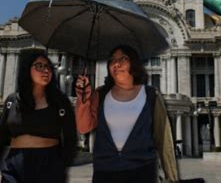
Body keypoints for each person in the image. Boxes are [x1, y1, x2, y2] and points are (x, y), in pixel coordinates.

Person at [76, 45, 179, 183]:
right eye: (112, 60)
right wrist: (83, 99)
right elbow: (84, 127)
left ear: (134, 63)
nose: (116, 64)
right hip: (105, 172)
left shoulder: (151, 95)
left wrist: (171, 177)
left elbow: (163, 139)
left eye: (123, 58)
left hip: (142, 171)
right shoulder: (100, 94)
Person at [0, 51, 77, 183]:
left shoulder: (60, 102)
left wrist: (62, 167)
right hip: (15, 162)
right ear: (27, 69)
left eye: (48, 67)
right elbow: (0, 136)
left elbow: (71, 139)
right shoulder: (12, 100)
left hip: (48, 163)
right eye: (39, 66)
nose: (45, 70)